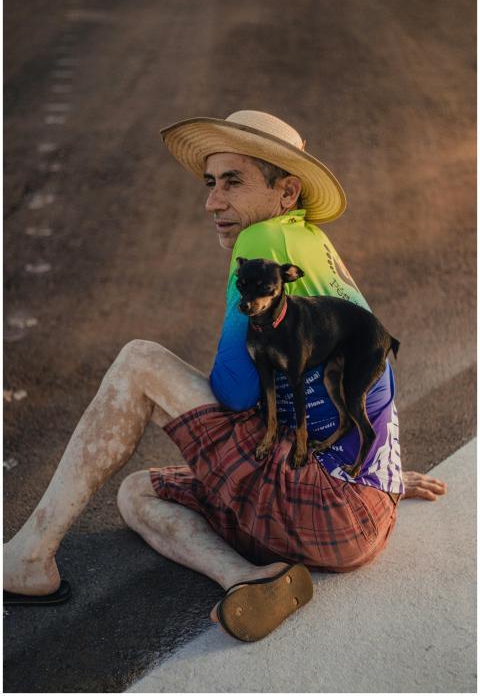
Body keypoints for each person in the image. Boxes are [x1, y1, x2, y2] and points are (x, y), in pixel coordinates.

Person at [3, 110, 447, 641]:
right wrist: (381, 475)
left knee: (140, 360)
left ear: (287, 192)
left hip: (326, 503)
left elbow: (235, 394)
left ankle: (28, 559)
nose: (212, 202)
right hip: (365, 514)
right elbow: (366, 373)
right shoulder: (315, 248)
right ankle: (250, 579)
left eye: (233, 182)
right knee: (137, 493)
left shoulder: (262, 243)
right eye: (211, 183)